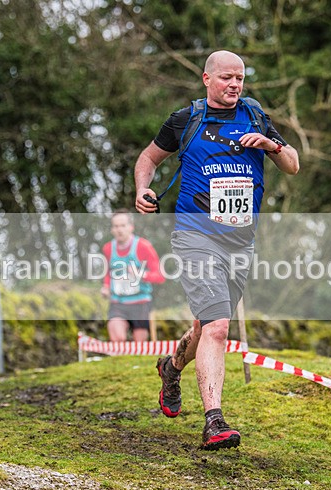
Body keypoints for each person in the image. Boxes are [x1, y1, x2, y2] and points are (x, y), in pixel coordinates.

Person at [134, 50, 299, 450]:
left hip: (240, 241)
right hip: (195, 237)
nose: (235, 85)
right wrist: (143, 188)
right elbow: (148, 158)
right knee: (219, 326)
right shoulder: (185, 119)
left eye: (240, 78)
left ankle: (171, 368)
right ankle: (214, 421)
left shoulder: (256, 116)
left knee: (205, 326)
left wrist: (272, 147)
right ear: (207, 79)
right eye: (227, 78)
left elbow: (293, 164)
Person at [100, 209, 165, 342]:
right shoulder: (108, 248)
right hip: (118, 302)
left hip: (140, 302)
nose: (119, 230)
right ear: (112, 229)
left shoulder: (143, 246)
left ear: (131, 227)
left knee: (139, 345)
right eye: (116, 226)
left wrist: (140, 274)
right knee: (117, 338)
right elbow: (108, 272)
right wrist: (106, 286)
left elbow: (160, 276)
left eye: (123, 226)